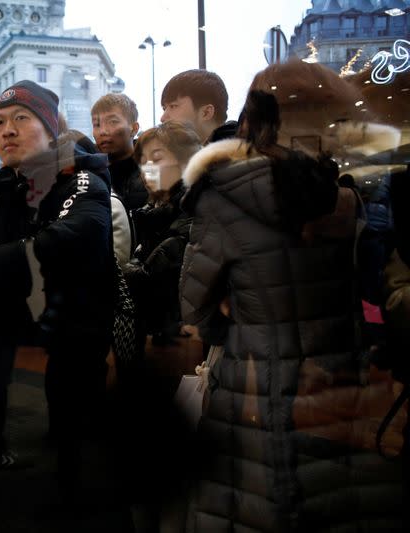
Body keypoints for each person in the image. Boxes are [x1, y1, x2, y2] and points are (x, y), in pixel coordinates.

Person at [177, 82, 401, 530]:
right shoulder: (347, 199)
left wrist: (230, 317)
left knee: (251, 497)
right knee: (331, 493)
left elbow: (191, 306)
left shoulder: (223, 198)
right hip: (337, 377)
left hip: (255, 379)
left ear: (252, 128)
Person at [0, 80, 114, 499]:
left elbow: (72, 237)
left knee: (73, 491)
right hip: (7, 384)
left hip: (69, 369)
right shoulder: (6, 198)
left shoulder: (83, 182)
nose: (7, 130)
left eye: (22, 118)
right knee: (10, 497)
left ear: (51, 129)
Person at [126, 121, 202, 346]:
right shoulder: (153, 214)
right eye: (143, 161)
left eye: (157, 159)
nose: (147, 168)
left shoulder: (196, 217)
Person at [91, 93, 149, 212]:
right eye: (97, 125)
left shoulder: (154, 169)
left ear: (134, 128)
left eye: (112, 122)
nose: (102, 131)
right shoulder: (87, 171)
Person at [160, 69, 237, 144]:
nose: (163, 118)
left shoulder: (235, 153)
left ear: (206, 112)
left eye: (173, 106)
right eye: (164, 109)